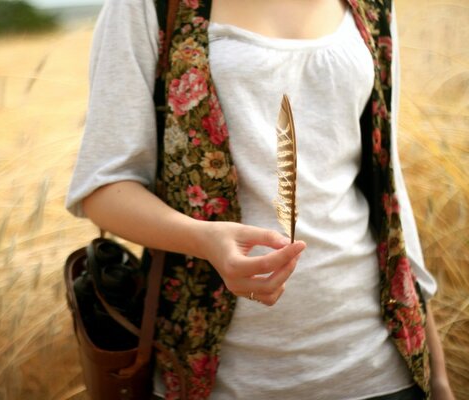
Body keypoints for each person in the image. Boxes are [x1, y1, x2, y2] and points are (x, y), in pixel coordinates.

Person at [65, 0, 455, 399]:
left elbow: (389, 190)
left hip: (379, 365)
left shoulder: (372, 5)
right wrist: (203, 240)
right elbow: (104, 187)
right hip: (224, 377)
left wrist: (436, 373)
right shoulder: (148, 6)